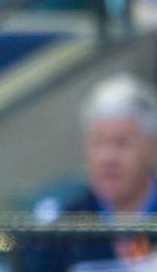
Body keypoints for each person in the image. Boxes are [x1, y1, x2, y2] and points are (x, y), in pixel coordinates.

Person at [20, 74, 157, 271]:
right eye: (98, 143)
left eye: (122, 143)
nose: (108, 158)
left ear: (152, 147)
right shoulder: (59, 228)